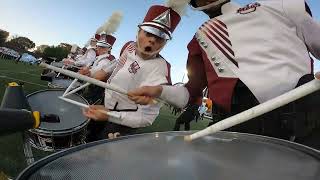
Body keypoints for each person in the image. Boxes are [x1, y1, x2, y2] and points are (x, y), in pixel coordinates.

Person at [128, 0, 320, 149]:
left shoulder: (283, 5)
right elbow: (189, 93)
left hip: (306, 124)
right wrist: (159, 91)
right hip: (237, 135)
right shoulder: (199, 38)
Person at [83, 0, 190, 140]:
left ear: (165, 43)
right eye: (148, 33)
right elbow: (116, 64)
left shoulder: (160, 68)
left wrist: (110, 115)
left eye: (160, 37)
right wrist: (90, 73)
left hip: (122, 124)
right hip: (104, 105)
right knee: (85, 140)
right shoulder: (129, 46)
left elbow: (146, 117)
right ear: (138, 31)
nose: (152, 40)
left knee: (103, 157)